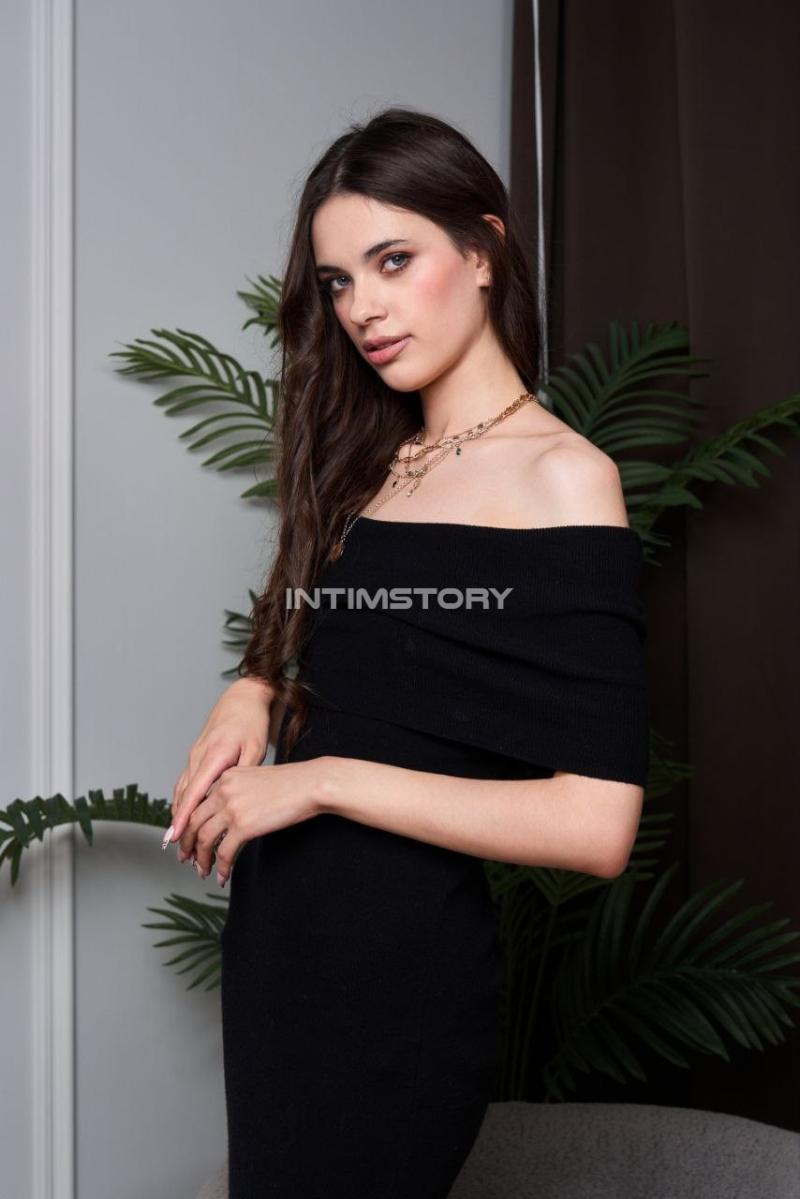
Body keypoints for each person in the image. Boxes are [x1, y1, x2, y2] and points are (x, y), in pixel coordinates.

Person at [161, 106, 649, 1198]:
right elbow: (348, 639)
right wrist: (254, 687)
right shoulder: (376, 453)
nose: (362, 309)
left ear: (481, 251)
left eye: (393, 261)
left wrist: (319, 782)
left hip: (400, 983)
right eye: (339, 281)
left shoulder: (565, 478)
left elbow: (596, 823)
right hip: (282, 953)